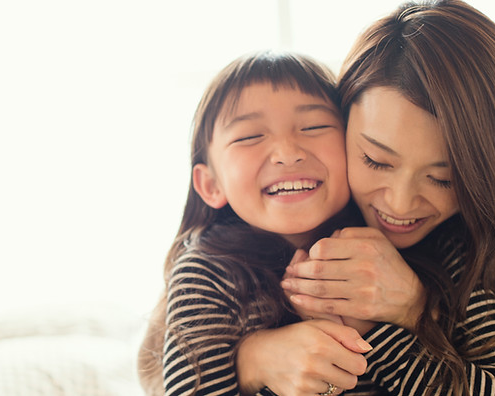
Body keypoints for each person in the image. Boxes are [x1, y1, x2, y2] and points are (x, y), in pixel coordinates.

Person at [140, 1, 495, 395]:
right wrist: (254, 359)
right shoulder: (211, 266)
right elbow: (164, 369)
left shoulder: (461, 249)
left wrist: (405, 315)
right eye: (375, 160)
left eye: (444, 179)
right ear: (345, 116)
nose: (400, 203)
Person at [143, 50, 376, 395]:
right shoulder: (207, 273)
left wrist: (378, 325)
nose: (287, 151)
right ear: (211, 185)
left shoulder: (388, 244)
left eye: (314, 127)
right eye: (249, 137)